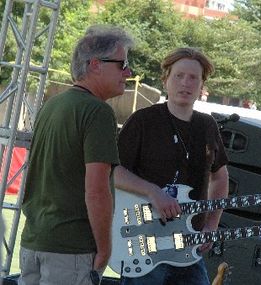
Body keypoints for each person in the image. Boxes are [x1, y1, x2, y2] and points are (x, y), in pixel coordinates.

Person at [18, 24, 172, 285]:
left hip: (35, 240)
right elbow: (97, 189)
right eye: (122, 64)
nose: (128, 72)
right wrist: (104, 250)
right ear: (95, 65)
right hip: (71, 251)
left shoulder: (53, 105)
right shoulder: (97, 112)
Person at [118, 47, 229, 285]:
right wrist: (152, 191)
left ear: (202, 86)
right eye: (178, 76)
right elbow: (113, 171)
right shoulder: (143, 121)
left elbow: (219, 177)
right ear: (165, 79)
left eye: (193, 78)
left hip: (188, 245)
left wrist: (211, 224)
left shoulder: (207, 126)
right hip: (145, 241)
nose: (185, 83)